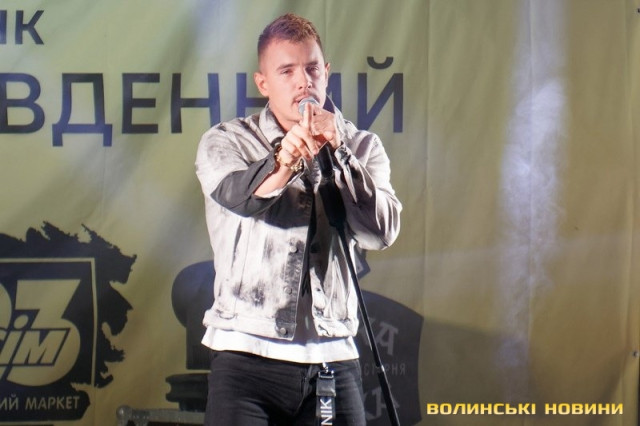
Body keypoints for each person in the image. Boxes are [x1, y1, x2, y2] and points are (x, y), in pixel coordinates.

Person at [195, 12, 402, 426]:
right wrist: (284, 159)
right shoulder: (227, 141)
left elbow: (381, 232)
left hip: (332, 356)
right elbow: (239, 198)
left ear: (326, 74)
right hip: (246, 355)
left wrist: (340, 153)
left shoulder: (363, 146)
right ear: (263, 83)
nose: (303, 82)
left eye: (311, 69)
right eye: (287, 71)